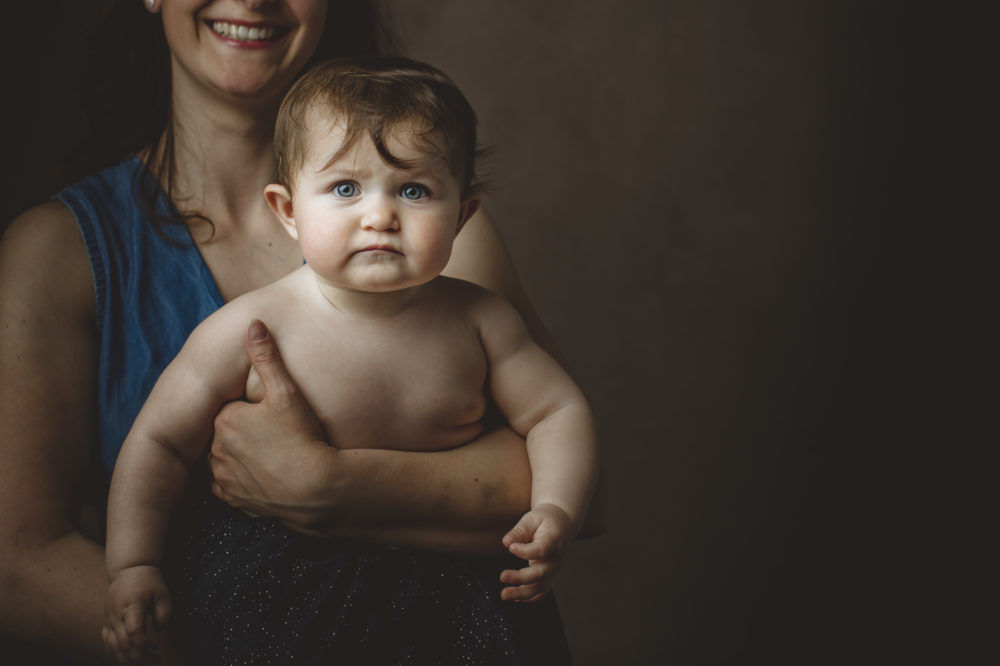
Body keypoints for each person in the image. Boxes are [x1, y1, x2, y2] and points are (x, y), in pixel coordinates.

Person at [0, 1, 598, 663]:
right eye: (344, 189)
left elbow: (573, 469)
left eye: (413, 192)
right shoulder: (65, 252)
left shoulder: (446, 258)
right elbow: (20, 561)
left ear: (459, 213)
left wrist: (329, 486)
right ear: (286, 210)